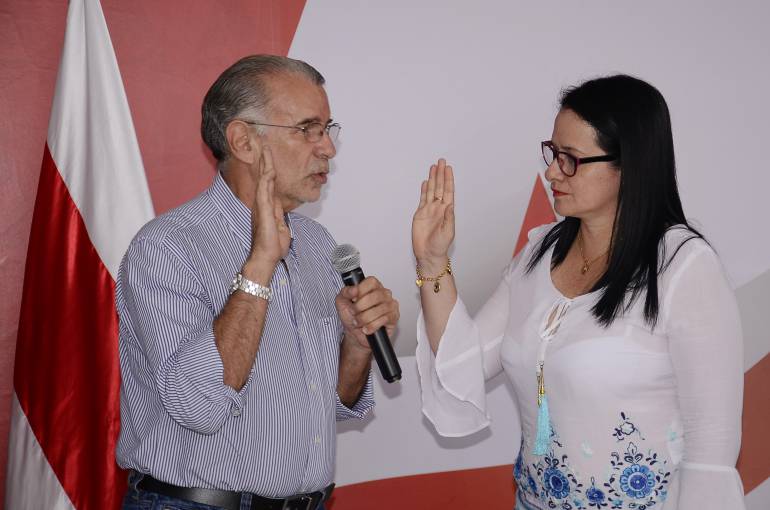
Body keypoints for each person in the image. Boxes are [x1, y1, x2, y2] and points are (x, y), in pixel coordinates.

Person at [412, 75, 744, 509]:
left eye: (571, 159)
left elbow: (711, 446)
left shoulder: (682, 265)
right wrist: (433, 263)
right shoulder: (539, 252)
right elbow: (461, 367)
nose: (552, 171)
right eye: (552, 153)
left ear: (630, 165)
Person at [116, 55, 399, 510]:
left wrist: (356, 345)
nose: (327, 148)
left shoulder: (316, 242)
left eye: (328, 129)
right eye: (308, 129)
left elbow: (332, 407)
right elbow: (199, 405)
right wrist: (260, 265)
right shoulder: (168, 248)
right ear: (243, 141)